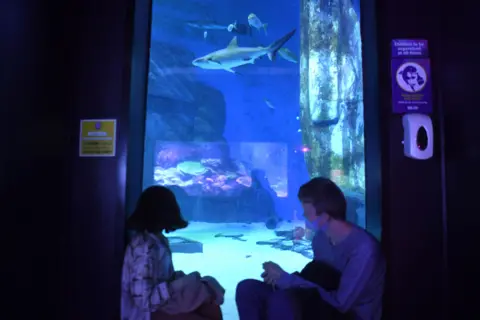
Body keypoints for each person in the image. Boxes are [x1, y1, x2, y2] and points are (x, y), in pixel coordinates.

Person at [235, 177, 385, 320]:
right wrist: (279, 278)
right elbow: (319, 279)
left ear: (325, 216)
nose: (303, 215)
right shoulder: (320, 239)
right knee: (247, 289)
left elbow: (341, 303)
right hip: (319, 303)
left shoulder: (364, 249)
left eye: (307, 210)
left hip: (350, 314)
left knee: (282, 300)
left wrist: (288, 280)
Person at [121, 186, 225, 320]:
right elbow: (143, 301)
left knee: (210, 305)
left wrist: (184, 282)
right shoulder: (144, 247)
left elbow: (162, 279)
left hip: (159, 305)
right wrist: (181, 285)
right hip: (144, 314)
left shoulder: (157, 240)